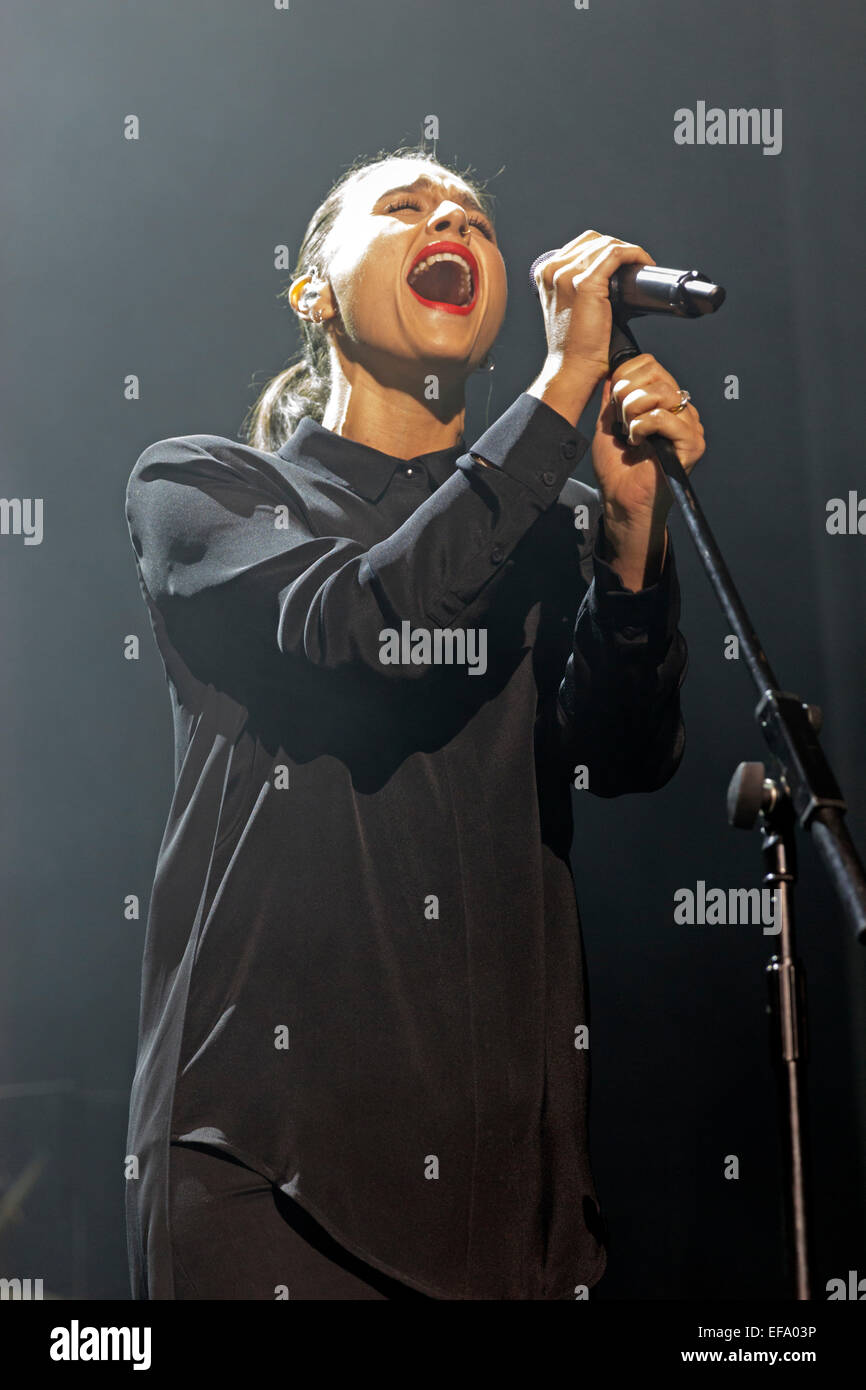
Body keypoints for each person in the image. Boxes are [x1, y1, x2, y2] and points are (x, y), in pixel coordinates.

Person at [124, 144, 704, 1301]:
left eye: (476, 221)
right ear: (313, 290)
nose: (452, 223)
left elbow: (626, 756)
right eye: (406, 207)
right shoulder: (209, 488)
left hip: (514, 1210)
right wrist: (555, 393)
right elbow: (365, 624)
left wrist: (633, 533)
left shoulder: (550, 526)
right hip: (270, 1180)